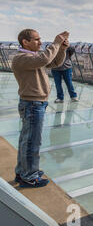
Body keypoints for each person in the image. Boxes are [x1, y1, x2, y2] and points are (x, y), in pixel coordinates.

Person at [12, 29, 70, 188]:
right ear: (25, 42)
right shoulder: (21, 58)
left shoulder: (32, 57)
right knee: (32, 142)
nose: (40, 42)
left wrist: (62, 49)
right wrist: (56, 43)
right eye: (37, 39)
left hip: (35, 104)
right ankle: (29, 176)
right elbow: (44, 59)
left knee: (27, 140)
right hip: (32, 104)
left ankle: (22, 171)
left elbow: (54, 62)